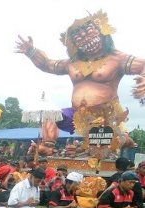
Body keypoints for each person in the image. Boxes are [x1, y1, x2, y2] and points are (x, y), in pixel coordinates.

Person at [16, 11, 145, 154]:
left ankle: (124, 139)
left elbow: (142, 65)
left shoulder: (117, 58)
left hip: (106, 114)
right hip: (77, 114)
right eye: (79, 38)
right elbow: (48, 64)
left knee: (105, 145)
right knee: (50, 115)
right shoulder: (72, 63)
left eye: (89, 34)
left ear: (102, 33)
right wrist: (31, 52)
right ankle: (48, 147)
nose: (85, 40)